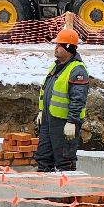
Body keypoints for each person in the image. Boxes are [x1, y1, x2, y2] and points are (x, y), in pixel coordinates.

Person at [35, 27, 89, 172]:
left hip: (64, 124)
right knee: (44, 158)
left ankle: (68, 192)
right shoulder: (55, 66)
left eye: (59, 45)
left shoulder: (77, 70)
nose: (56, 48)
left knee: (65, 161)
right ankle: (44, 192)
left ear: (68, 48)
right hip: (48, 120)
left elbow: (78, 99)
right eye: (56, 45)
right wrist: (42, 111)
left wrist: (72, 121)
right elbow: (45, 90)